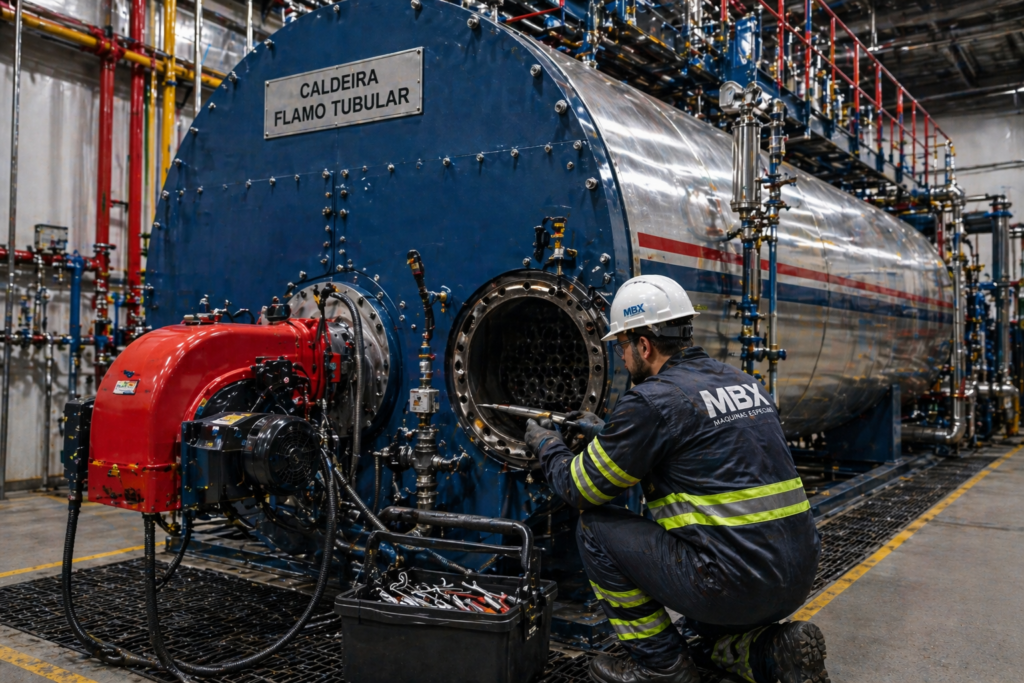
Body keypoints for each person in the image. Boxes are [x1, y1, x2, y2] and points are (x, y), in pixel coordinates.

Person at [525, 275, 828, 683]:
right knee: (697, 638)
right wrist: (610, 434)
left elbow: (580, 488)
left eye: (622, 347)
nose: (623, 357)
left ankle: (662, 668)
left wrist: (547, 446)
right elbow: (696, 444)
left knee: (594, 528)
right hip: (795, 578)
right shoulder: (742, 381)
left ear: (644, 345)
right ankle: (773, 653)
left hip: (733, 586)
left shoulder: (652, 399)